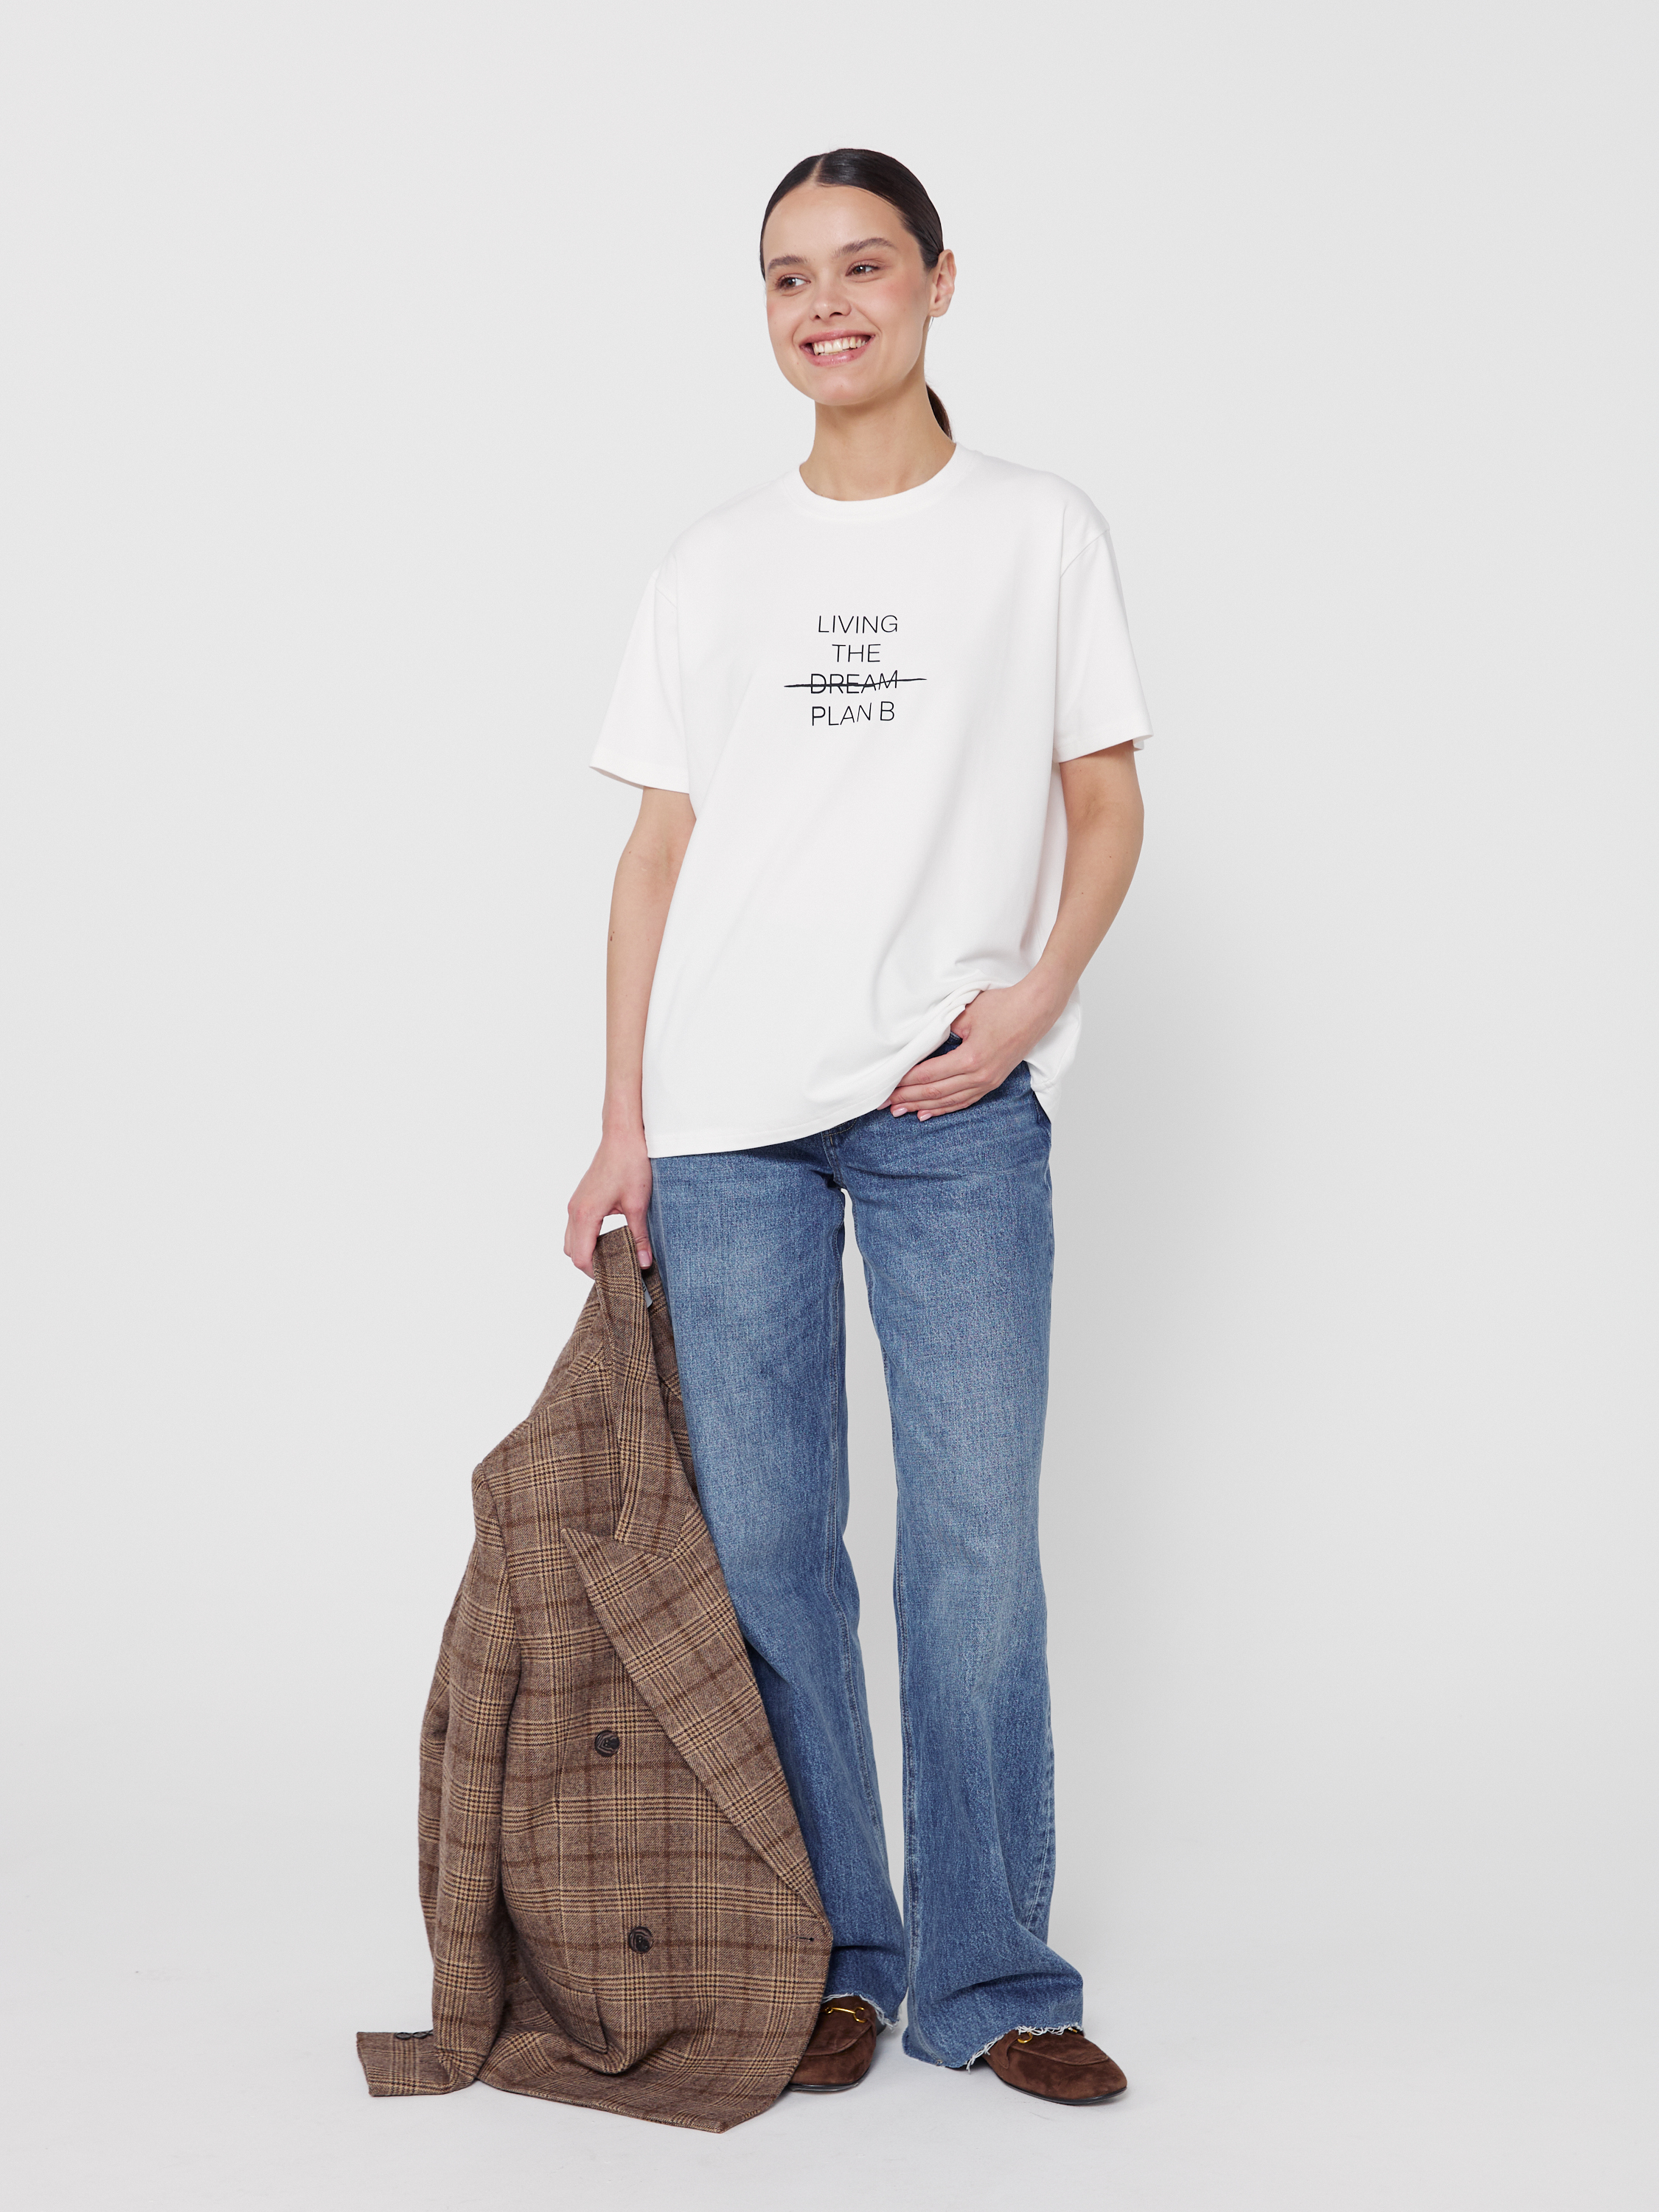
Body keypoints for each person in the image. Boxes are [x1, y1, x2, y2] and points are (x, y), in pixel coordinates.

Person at [564, 148, 1150, 2107]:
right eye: (787, 276)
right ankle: (833, 1955)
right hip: (725, 1121)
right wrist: (624, 1119)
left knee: (970, 1547)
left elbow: (1103, 798)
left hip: (946, 1103)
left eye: (863, 266)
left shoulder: (1035, 532)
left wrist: (1033, 1000)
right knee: (769, 1556)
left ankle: (993, 1976)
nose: (825, 304)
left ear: (937, 283)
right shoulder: (712, 562)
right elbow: (656, 858)